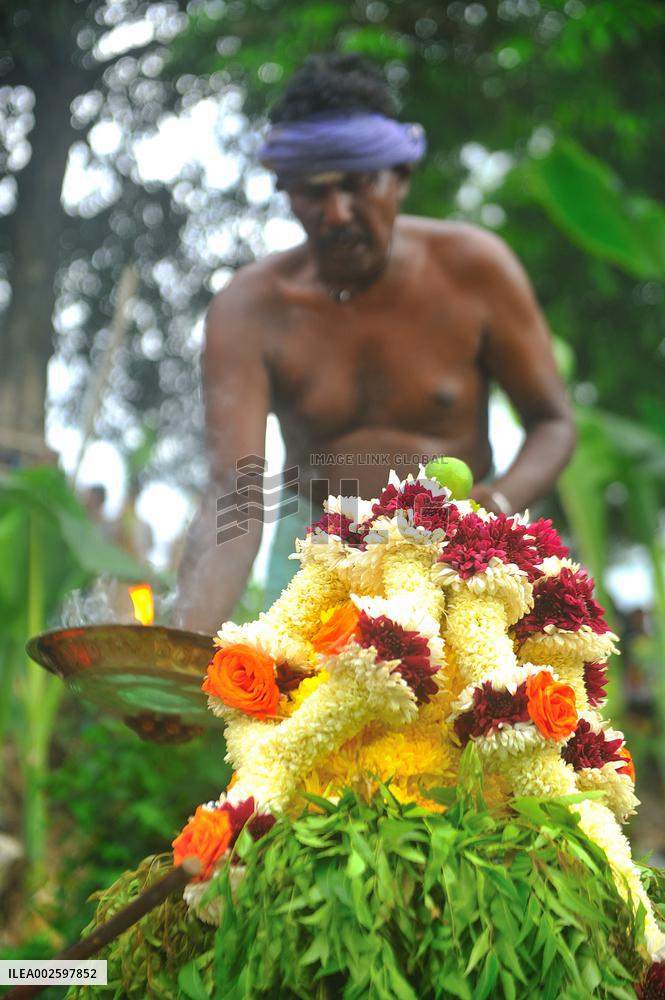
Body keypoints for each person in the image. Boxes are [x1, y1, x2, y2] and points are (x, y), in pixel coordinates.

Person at [176, 53, 575, 634]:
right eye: (313, 192)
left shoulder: (474, 270)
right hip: (316, 560)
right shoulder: (248, 309)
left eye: (358, 185)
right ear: (285, 191)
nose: (336, 213)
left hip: (462, 553)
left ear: (400, 177)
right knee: (300, 719)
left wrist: (501, 503)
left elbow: (553, 421)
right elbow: (233, 494)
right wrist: (180, 655)